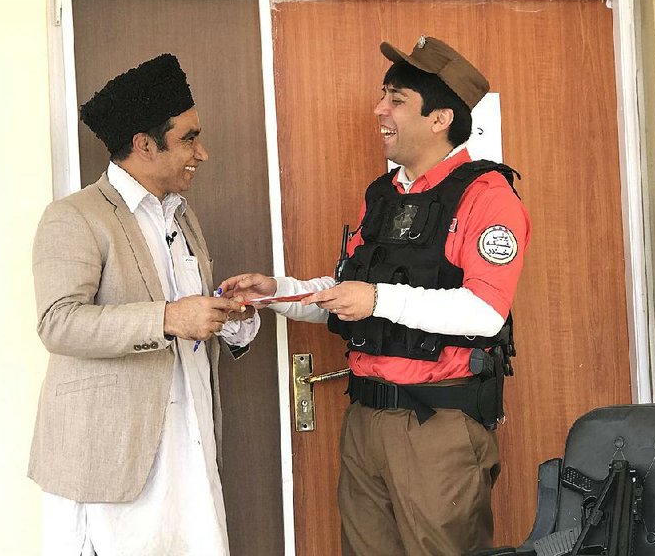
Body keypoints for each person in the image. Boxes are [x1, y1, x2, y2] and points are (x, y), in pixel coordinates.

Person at [220, 36, 531, 556]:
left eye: (397, 99)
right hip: (366, 421)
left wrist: (379, 300)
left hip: (439, 428)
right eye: (384, 95)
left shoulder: (487, 197)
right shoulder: (384, 196)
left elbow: (485, 311)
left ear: (440, 119)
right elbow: (351, 293)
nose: (379, 110)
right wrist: (280, 291)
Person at [29, 53, 258, 556]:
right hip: (111, 454)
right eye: (189, 139)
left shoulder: (181, 215)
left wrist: (229, 314)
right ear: (144, 145)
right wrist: (171, 317)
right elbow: (58, 323)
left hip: (188, 436)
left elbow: (190, 319)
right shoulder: (75, 217)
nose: (203, 153)